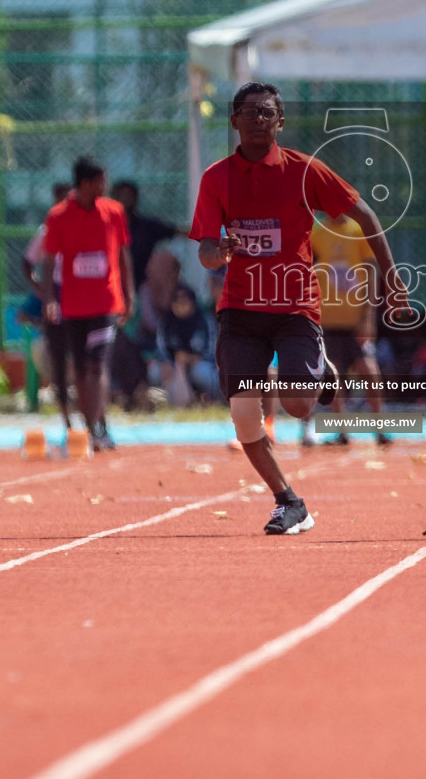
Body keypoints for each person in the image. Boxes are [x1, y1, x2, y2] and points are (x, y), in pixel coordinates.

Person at [190, 82, 406, 535]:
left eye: (266, 112)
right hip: (241, 310)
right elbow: (206, 253)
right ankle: (288, 501)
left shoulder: (304, 172)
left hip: (294, 306)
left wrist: (390, 277)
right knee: (245, 413)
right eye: (248, 113)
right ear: (233, 121)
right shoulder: (216, 178)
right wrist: (222, 252)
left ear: (280, 121)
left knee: (299, 406)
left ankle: (321, 372)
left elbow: (364, 213)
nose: (257, 120)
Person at [42, 157, 134, 450]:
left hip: (106, 302)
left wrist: (128, 294)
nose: (105, 186)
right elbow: (48, 261)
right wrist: (49, 299)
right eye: (100, 181)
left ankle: (97, 427)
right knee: (80, 369)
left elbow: (122, 254)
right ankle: (91, 426)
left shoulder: (114, 212)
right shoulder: (58, 216)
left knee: (98, 365)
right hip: (73, 305)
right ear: (86, 183)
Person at [311, 208, 390, 445]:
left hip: (356, 319)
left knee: (368, 369)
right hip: (327, 319)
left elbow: (371, 271)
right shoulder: (316, 232)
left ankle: (380, 428)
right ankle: (341, 431)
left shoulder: (358, 231)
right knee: (333, 376)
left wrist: (368, 316)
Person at [23, 182, 72, 432]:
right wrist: (42, 292)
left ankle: (96, 420)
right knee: (55, 353)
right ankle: (67, 419)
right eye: (59, 200)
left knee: (91, 361)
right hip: (58, 296)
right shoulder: (47, 230)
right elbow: (27, 262)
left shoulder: (86, 226)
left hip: (86, 297)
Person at [110, 180, 179, 289]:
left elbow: (176, 231)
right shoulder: (104, 226)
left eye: (129, 196)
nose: (125, 200)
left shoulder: (146, 227)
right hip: (111, 283)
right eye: (122, 196)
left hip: (142, 284)